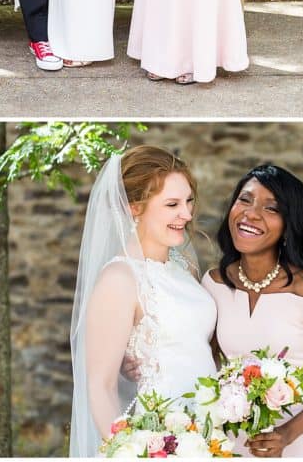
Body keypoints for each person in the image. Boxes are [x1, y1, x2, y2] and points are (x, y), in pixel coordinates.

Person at [69, 146, 216, 457]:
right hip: (162, 436)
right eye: (172, 204)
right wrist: (131, 451)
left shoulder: (184, 266)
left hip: (209, 427)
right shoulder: (119, 279)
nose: (187, 215)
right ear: (134, 207)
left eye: (188, 201)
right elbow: (100, 386)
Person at [202, 164, 303, 457]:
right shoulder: (214, 283)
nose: (251, 213)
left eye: (271, 208)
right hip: (234, 438)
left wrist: (286, 434)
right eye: (244, 200)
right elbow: (206, 358)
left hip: (301, 439)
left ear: (289, 224)